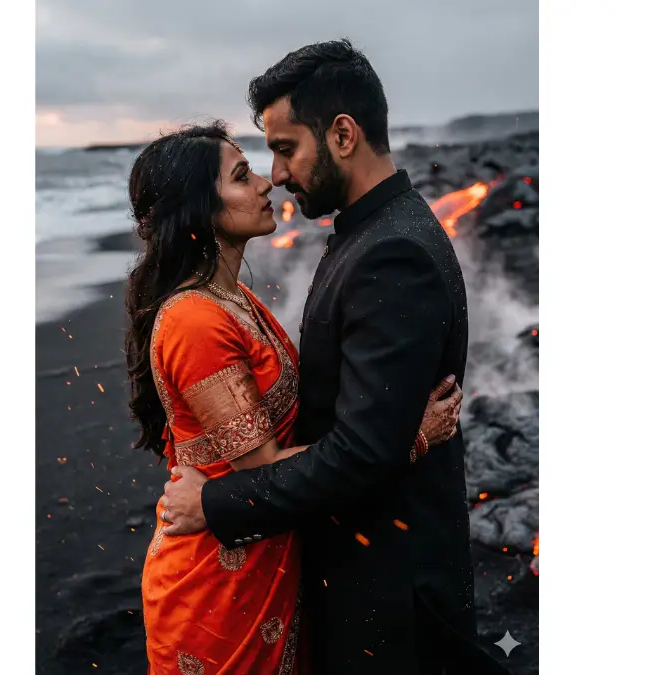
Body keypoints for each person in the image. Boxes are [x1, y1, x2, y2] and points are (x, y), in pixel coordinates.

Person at [158, 41, 512, 674]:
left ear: (343, 134)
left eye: (286, 147)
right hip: (355, 568)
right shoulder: (372, 232)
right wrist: (407, 435)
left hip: (386, 590)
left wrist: (211, 505)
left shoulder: (390, 253)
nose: (279, 174)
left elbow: (361, 452)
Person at [123, 121, 464, 675]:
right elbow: (260, 475)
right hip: (218, 582)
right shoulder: (194, 320)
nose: (266, 183)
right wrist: (405, 438)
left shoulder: (230, 298)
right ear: (198, 210)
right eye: (242, 175)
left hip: (267, 560)